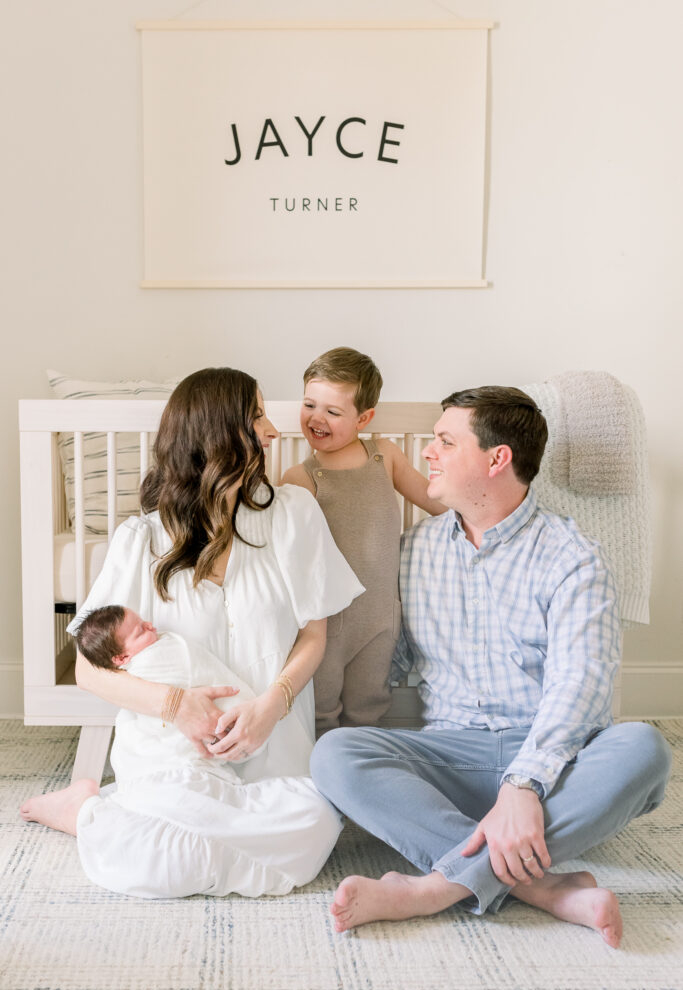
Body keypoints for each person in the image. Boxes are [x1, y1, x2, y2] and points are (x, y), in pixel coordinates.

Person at [310, 385, 672, 946]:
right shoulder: (414, 551)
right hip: (451, 759)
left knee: (644, 750)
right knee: (336, 753)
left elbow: (583, 685)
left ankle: (435, 887)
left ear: (496, 458)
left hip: (552, 765)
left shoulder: (572, 557)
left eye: (445, 441)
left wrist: (525, 785)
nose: (428, 452)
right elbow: (385, 653)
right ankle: (543, 887)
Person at [21, 367, 364, 899]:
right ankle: (90, 811)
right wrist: (175, 704)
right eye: (256, 417)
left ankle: (93, 814)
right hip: (175, 766)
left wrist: (272, 705)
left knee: (318, 821)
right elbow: (89, 668)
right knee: (154, 861)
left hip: (272, 756)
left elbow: (313, 636)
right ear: (217, 435)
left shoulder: (295, 514)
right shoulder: (141, 539)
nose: (273, 430)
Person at [281, 347, 444, 733]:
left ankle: (366, 772)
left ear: (364, 418)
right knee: (321, 707)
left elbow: (431, 497)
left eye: (333, 412)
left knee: (369, 707)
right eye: (309, 404)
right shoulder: (300, 478)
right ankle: (318, 776)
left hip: (379, 615)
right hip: (325, 619)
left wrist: (477, 513)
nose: (316, 419)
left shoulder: (383, 456)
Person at [72, 604, 268, 783]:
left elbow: (188, 666)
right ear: (122, 657)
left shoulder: (162, 653)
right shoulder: (145, 664)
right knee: (129, 725)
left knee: (133, 735)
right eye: (141, 630)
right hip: (231, 727)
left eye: (143, 621)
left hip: (237, 724)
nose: (150, 625)